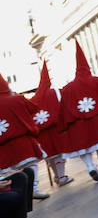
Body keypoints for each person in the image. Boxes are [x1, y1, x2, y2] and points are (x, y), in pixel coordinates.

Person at [58, 42, 98, 181]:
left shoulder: (67, 88)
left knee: (84, 148)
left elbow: (63, 109)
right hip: (97, 120)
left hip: (77, 124)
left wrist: (63, 127)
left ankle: (90, 167)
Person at [0, 72, 45, 202]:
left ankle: (18, 193)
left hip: (3, 147)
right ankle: (34, 189)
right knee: (31, 165)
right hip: (22, 142)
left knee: (10, 173)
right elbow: (33, 107)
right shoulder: (16, 99)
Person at [28, 62, 69, 190]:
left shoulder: (33, 98)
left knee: (50, 155)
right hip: (56, 129)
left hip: (41, 133)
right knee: (59, 153)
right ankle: (61, 177)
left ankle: (57, 176)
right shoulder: (55, 92)